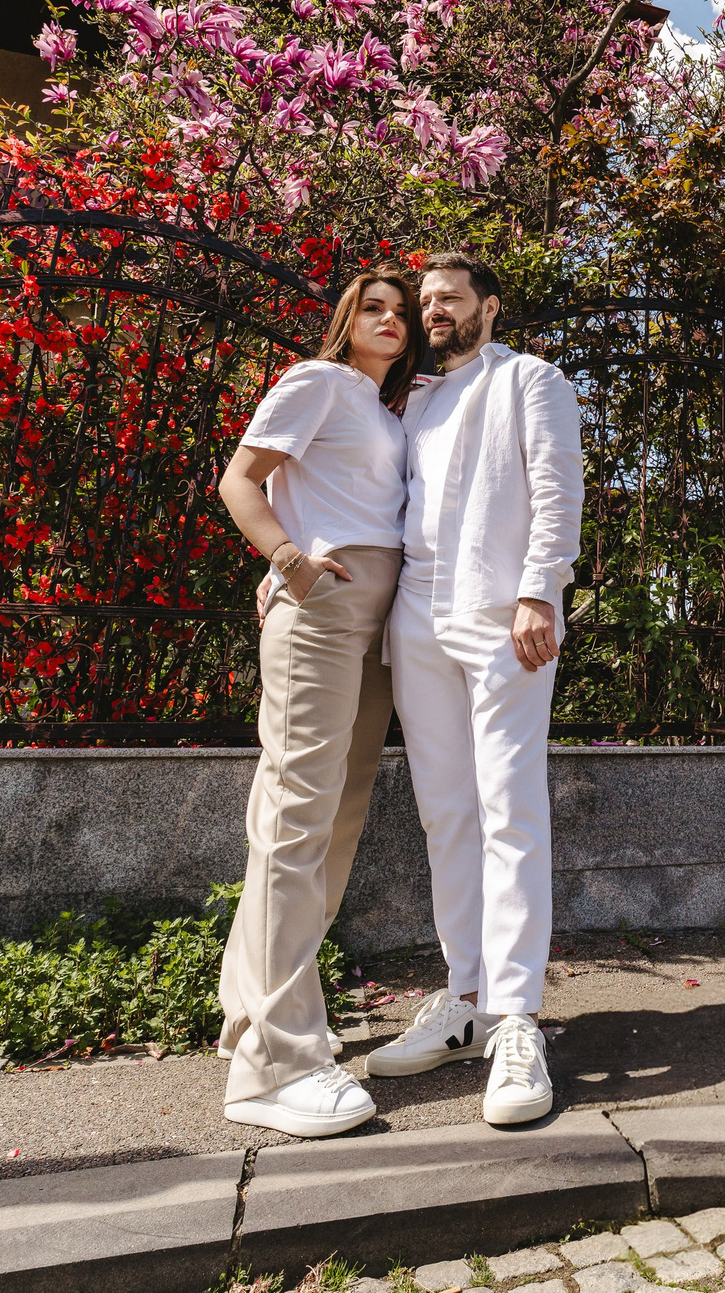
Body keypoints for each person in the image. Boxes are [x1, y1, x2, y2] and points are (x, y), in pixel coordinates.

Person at [365, 251, 583, 1126]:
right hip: (417, 615)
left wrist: (541, 590)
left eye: (450, 297)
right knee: (445, 812)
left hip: (503, 618)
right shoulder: (412, 399)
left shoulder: (531, 379)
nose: (435, 309)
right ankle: (463, 1000)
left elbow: (556, 489)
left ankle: (519, 1018)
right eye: (427, 300)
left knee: (509, 808)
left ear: (488, 306)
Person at [212, 272, 427, 1138]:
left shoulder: (387, 412)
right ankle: (274, 1068)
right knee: (297, 819)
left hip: (380, 617)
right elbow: (239, 480)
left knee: (334, 819)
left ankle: (251, 1017)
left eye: (402, 312)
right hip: (326, 603)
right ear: (346, 321)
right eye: (372, 307)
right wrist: (288, 562)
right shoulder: (319, 380)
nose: (390, 319)